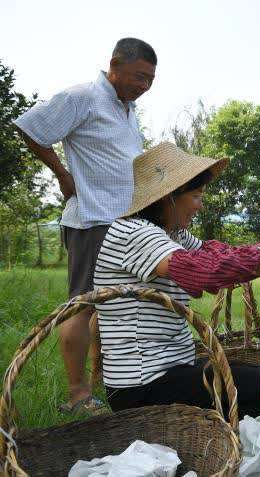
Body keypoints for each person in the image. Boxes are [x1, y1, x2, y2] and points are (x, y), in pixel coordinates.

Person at [93, 142, 260, 417]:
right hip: (142, 386)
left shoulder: (172, 234)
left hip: (170, 371)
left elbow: (217, 255)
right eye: (196, 196)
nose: (200, 205)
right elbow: (200, 270)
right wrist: (257, 260)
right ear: (168, 197)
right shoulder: (133, 233)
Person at [14, 38, 158, 415]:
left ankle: (100, 383)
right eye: (139, 76)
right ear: (114, 63)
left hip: (125, 220)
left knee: (113, 305)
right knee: (82, 305)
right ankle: (78, 396)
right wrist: (62, 174)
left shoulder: (128, 110)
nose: (144, 86)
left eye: (150, 80)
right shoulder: (83, 97)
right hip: (93, 218)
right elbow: (31, 127)